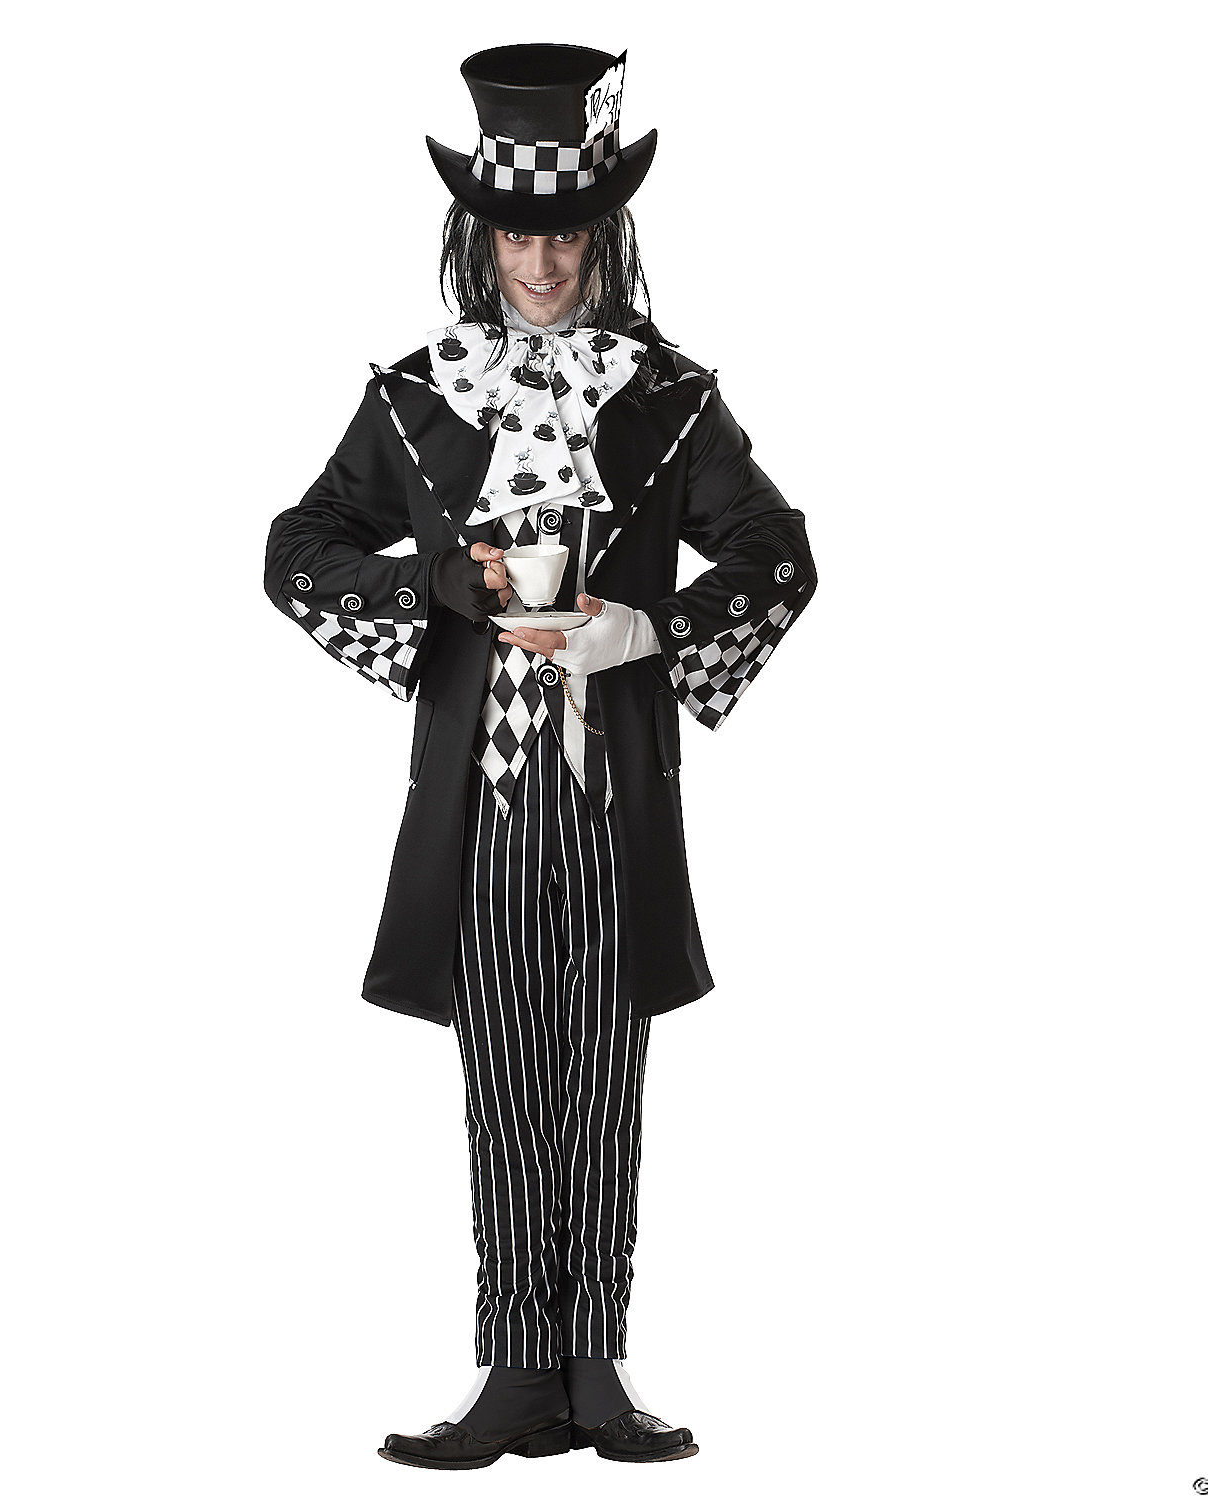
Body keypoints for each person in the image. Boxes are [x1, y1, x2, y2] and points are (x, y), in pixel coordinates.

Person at [264, 43, 818, 1469]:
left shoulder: (668, 398)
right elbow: (298, 551)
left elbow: (779, 553)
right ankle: (517, 1373)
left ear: (603, 233)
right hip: (484, 801)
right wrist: (444, 590)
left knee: (605, 1078)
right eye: (519, 233)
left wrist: (651, 630)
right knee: (507, 1077)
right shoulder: (418, 398)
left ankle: (595, 1370)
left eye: (566, 233)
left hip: (615, 794)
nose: (544, 261)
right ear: (481, 236)